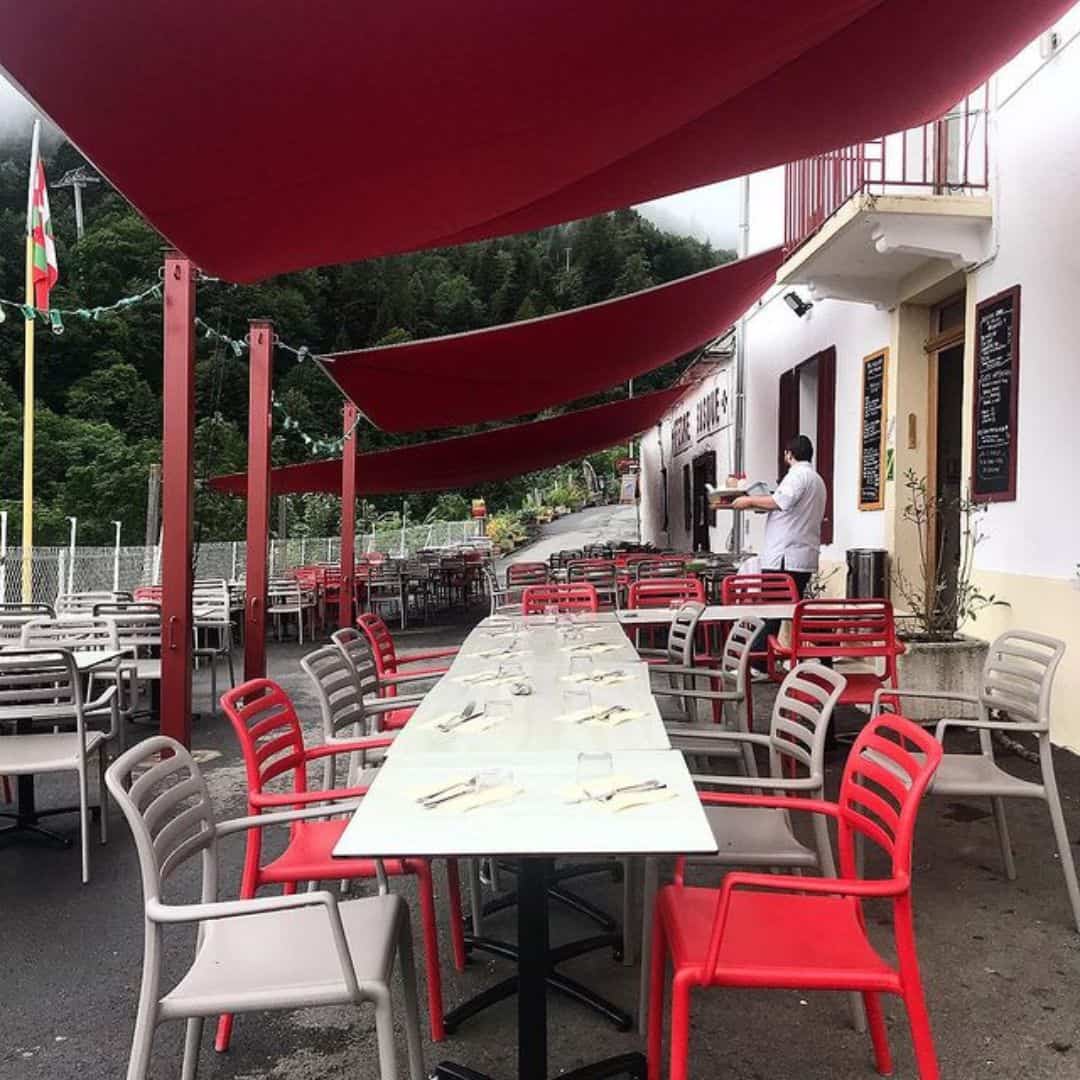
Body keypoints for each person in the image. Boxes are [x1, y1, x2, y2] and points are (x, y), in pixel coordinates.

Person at [733, 433, 826, 669]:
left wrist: (749, 501)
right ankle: (774, 660)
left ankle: (758, 664)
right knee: (785, 610)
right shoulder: (816, 480)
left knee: (771, 610)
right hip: (801, 555)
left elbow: (780, 502)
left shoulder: (797, 476)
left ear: (789, 454)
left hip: (784, 556)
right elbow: (787, 509)